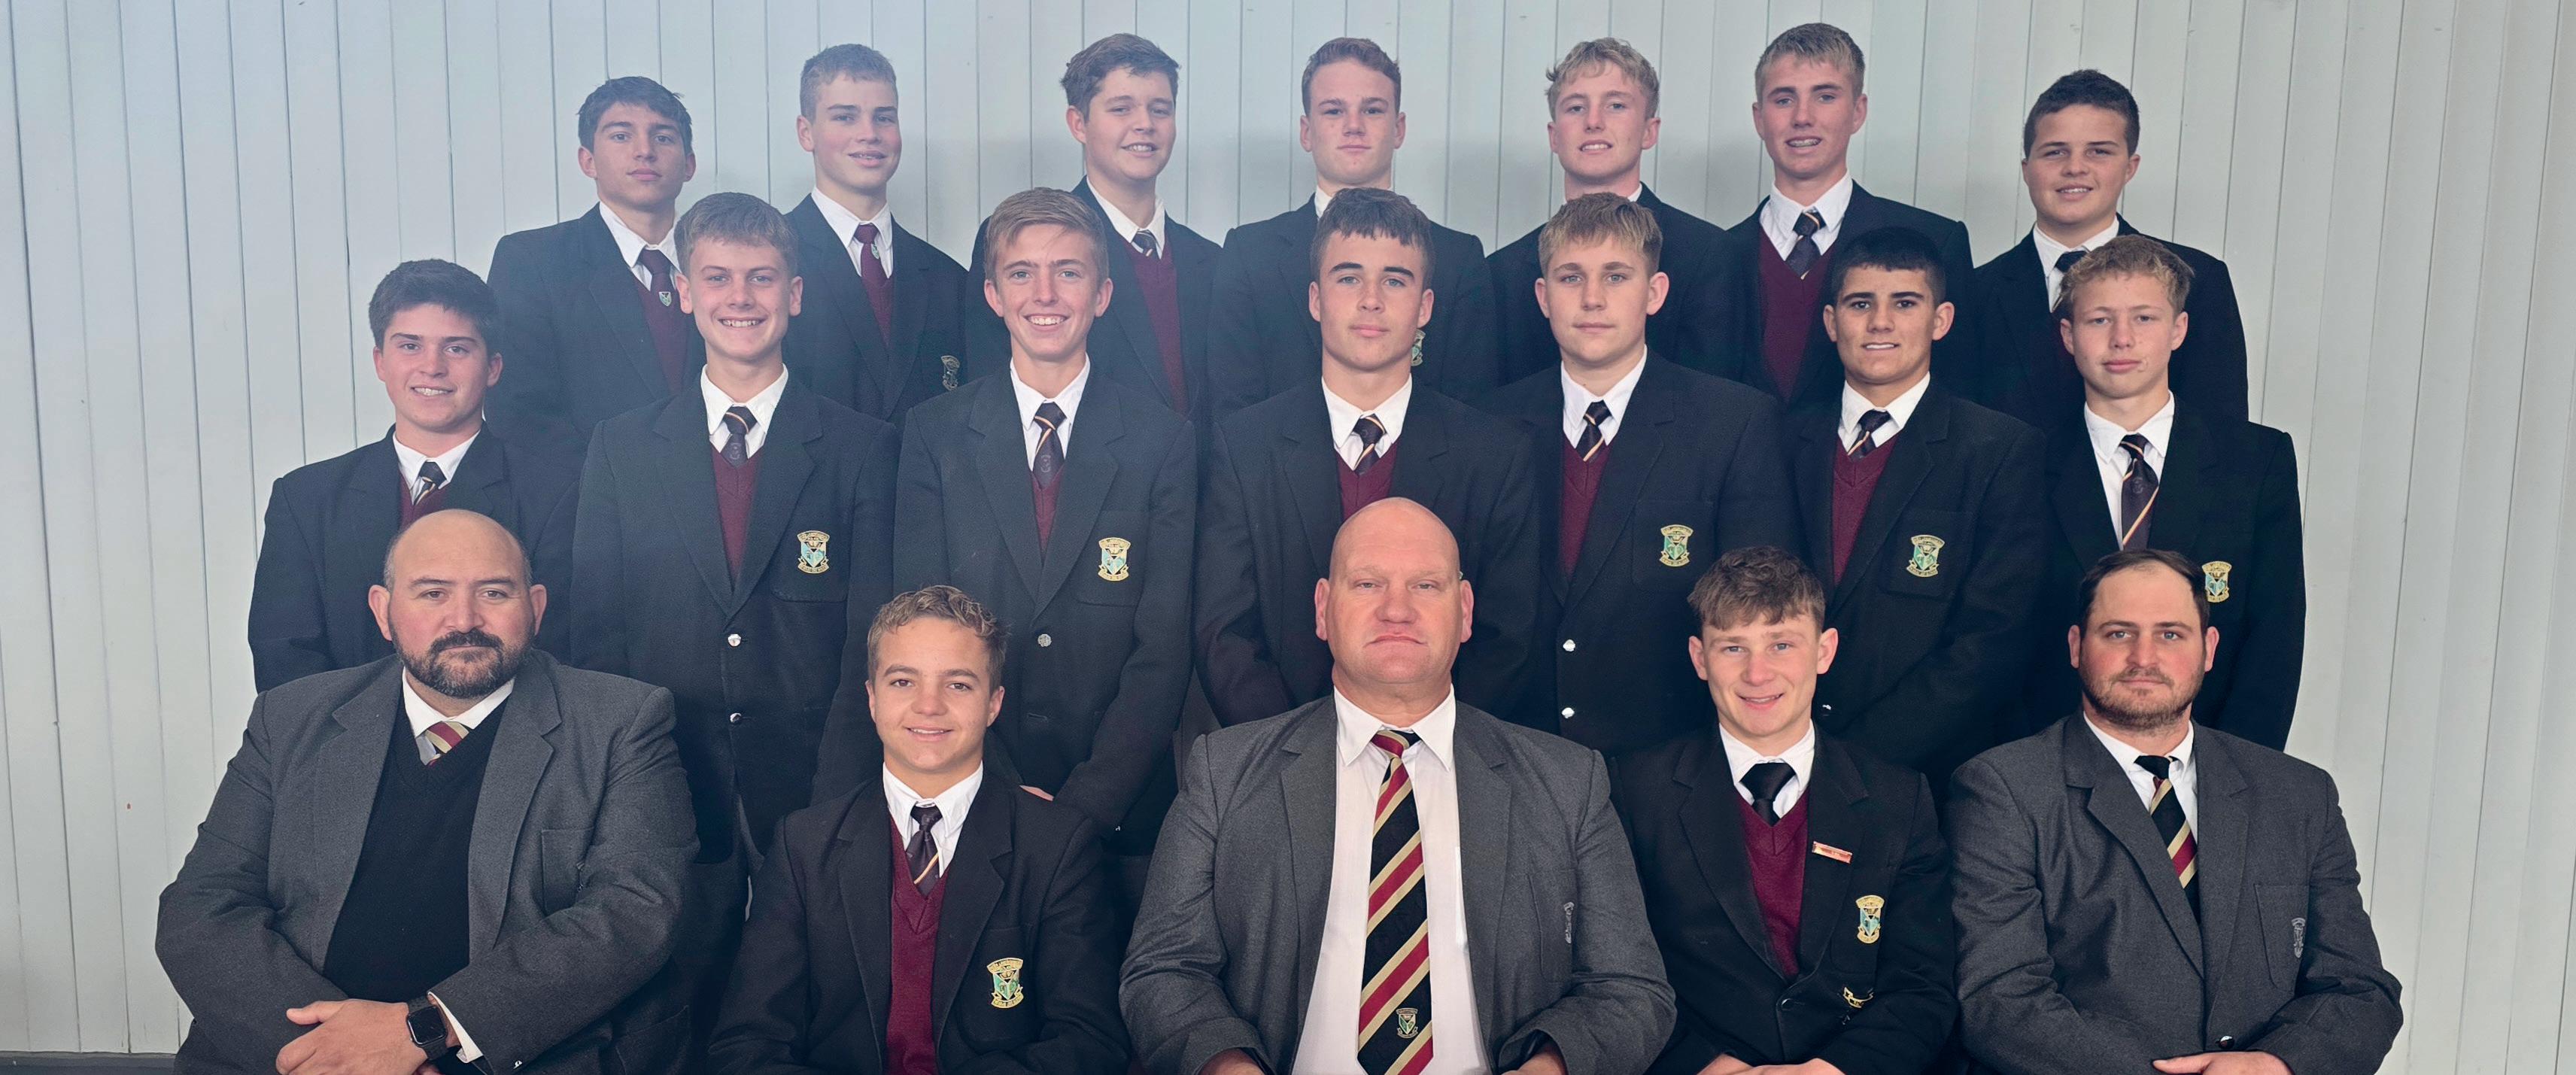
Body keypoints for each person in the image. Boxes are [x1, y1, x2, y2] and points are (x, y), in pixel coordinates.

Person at [1125, 498, 1675, 1075]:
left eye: (1426, 585)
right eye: (1367, 583)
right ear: (1323, 608)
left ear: (1465, 611)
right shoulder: (1224, 772)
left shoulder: (1568, 782)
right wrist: (1228, 1066)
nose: (1396, 610)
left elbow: (1630, 988)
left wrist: (1551, 1067)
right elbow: (1164, 969)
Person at [161, 510, 697, 1075]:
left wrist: (424, 1030)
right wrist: (331, 1056)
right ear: (383, 612)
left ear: (536, 607)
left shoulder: (622, 721)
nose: (464, 619)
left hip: (510, 1058)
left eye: (494, 592)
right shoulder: (291, 717)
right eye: (432, 593)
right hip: (292, 1052)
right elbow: (202, 905)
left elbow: (634, 910)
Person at [823, 189, 1195, 910]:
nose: (1045, 294)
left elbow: (1164, 650)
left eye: (1069, 272)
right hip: (968, 796)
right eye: (1022, 273)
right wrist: (996, 787)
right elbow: (921, 629)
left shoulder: (1162, 440)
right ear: (993, 296)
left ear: (1103, 294)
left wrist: (1083, 807)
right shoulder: (934, 434)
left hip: (1120, 816)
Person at [1952, 551, 2402, 1075]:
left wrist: (2276, 1064)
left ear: (2209, 649)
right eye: (2118, 633)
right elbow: (2000, 999)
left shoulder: (2299, 794)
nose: (2144, 657)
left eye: (2170, 634)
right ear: (2076, 646)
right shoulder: (2004, 788)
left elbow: (2360, 990)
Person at [709, 586, 1128, 1075]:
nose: (929, 705)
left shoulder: (1057, 845)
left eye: (959, 684)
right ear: (872, 698)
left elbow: (1090, 1042)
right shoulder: (802, 845)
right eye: (903, 681)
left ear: (994, 703)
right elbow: (747, 1045)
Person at [1195, 187, 1540, 728]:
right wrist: (1301, 753)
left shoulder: (1495, 454)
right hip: (1280, 754)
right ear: (1315, 300)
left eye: (1395, 281)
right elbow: (1224, 632)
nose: (1371, 300)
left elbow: (1507, 636)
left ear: (1425, 307)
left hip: (1442, 756)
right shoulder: (1244, 447)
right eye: (1349, 278)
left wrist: (1417, 745)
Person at [1616, 546, 1955, 1075]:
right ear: (1699, 658)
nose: (1757, 673)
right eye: (1733, 647)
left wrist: (1828, 1071)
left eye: (1781, 644)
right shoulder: (1635, 791)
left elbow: (1922, 985)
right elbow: (1613, 973)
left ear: (1824, 650)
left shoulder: (1898, 798)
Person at [1484, 194, 1798, 752]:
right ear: (1542, 296)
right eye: (1571, 277)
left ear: (1655, 293)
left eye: (1616, 276)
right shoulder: (1490, 424)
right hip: (1516, 749)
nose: (1592, 298)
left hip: (1670, 756)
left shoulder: (1733, 424)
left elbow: (1758, 613)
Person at [1780, 227, 2046, 782]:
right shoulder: (1780, 439)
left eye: (1905, 303)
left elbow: (1992, 638)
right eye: (1860, 304)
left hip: (1929, 772)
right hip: (1783, 752)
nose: (1880, 322)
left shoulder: (1998, 450)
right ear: (1831, 322)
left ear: (1941, 320)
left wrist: (1860, 758)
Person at [251, 260, 580, 691]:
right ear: (380, 361)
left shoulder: (559, 493)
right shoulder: (307, 499)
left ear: (493, 367)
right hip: (342, 731)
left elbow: (565, 650)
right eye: (410, 346)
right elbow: (285, 656)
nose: (432, 367)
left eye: (456, 349)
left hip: (509, 730)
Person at [2025, 236, 2303, 748]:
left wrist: (2237, 771)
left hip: (2209, 756)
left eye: (2144, 318)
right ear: (2068, 335)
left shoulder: (2256, 461)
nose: (2122, 339)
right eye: (2099, 320)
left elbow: (2274, 636)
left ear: (2179, 329)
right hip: (2045, 763)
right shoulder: (2020, 461)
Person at [1206, 37, 1501, 420]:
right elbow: (1232, 411)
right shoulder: (1250, 254)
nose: (1354, 126)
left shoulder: (1458, 258)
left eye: (1372, 110)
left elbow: (1471, 413)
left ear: (1399, 128)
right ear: (1307, 131)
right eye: (1334, 111)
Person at [1970, 70, 2250, 427]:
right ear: (2027, 169)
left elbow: (2221, 428)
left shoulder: (2199, 279)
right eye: (2055, 152)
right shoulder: (1974, 291)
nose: (2075, 168)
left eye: (2099, 152)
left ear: (2130, 167)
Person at [968, 34, 1220, 425]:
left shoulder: (1210, 259)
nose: (1145, 124)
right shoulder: (1019, 241)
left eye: (1160, 110)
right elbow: (992, 396)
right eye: (1121, 109)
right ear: (1078, 123)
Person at [1726, 23, 1976, 407]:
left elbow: (1956, 396)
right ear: (1759, 118)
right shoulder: (1718, 254)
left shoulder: (1936, 241)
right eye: (1784, 99)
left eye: (1825, 96)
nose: (1803, 117)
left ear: (1858, 111)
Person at [1488, 38, 1752, 382]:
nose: (1593, 122)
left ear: (1649, 131)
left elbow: (1716, 396)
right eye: (1575, 107)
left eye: (1615, 105)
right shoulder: (1501, 272)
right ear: (1554, 136)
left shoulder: (1709, 254)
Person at [487, 77, 703, 446]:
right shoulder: (531, 261)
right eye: (621, 136)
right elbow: (519, 416)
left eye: (663, 137)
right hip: (587, 482)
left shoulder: (725, 267)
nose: (644, 151)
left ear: (689, 165)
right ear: (588, 161)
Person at [780, 44, 979, 423]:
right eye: (845, 117)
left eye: (884, 118)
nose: (869, 134)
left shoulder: (948, 278)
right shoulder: (770, 262)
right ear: (806, 133)